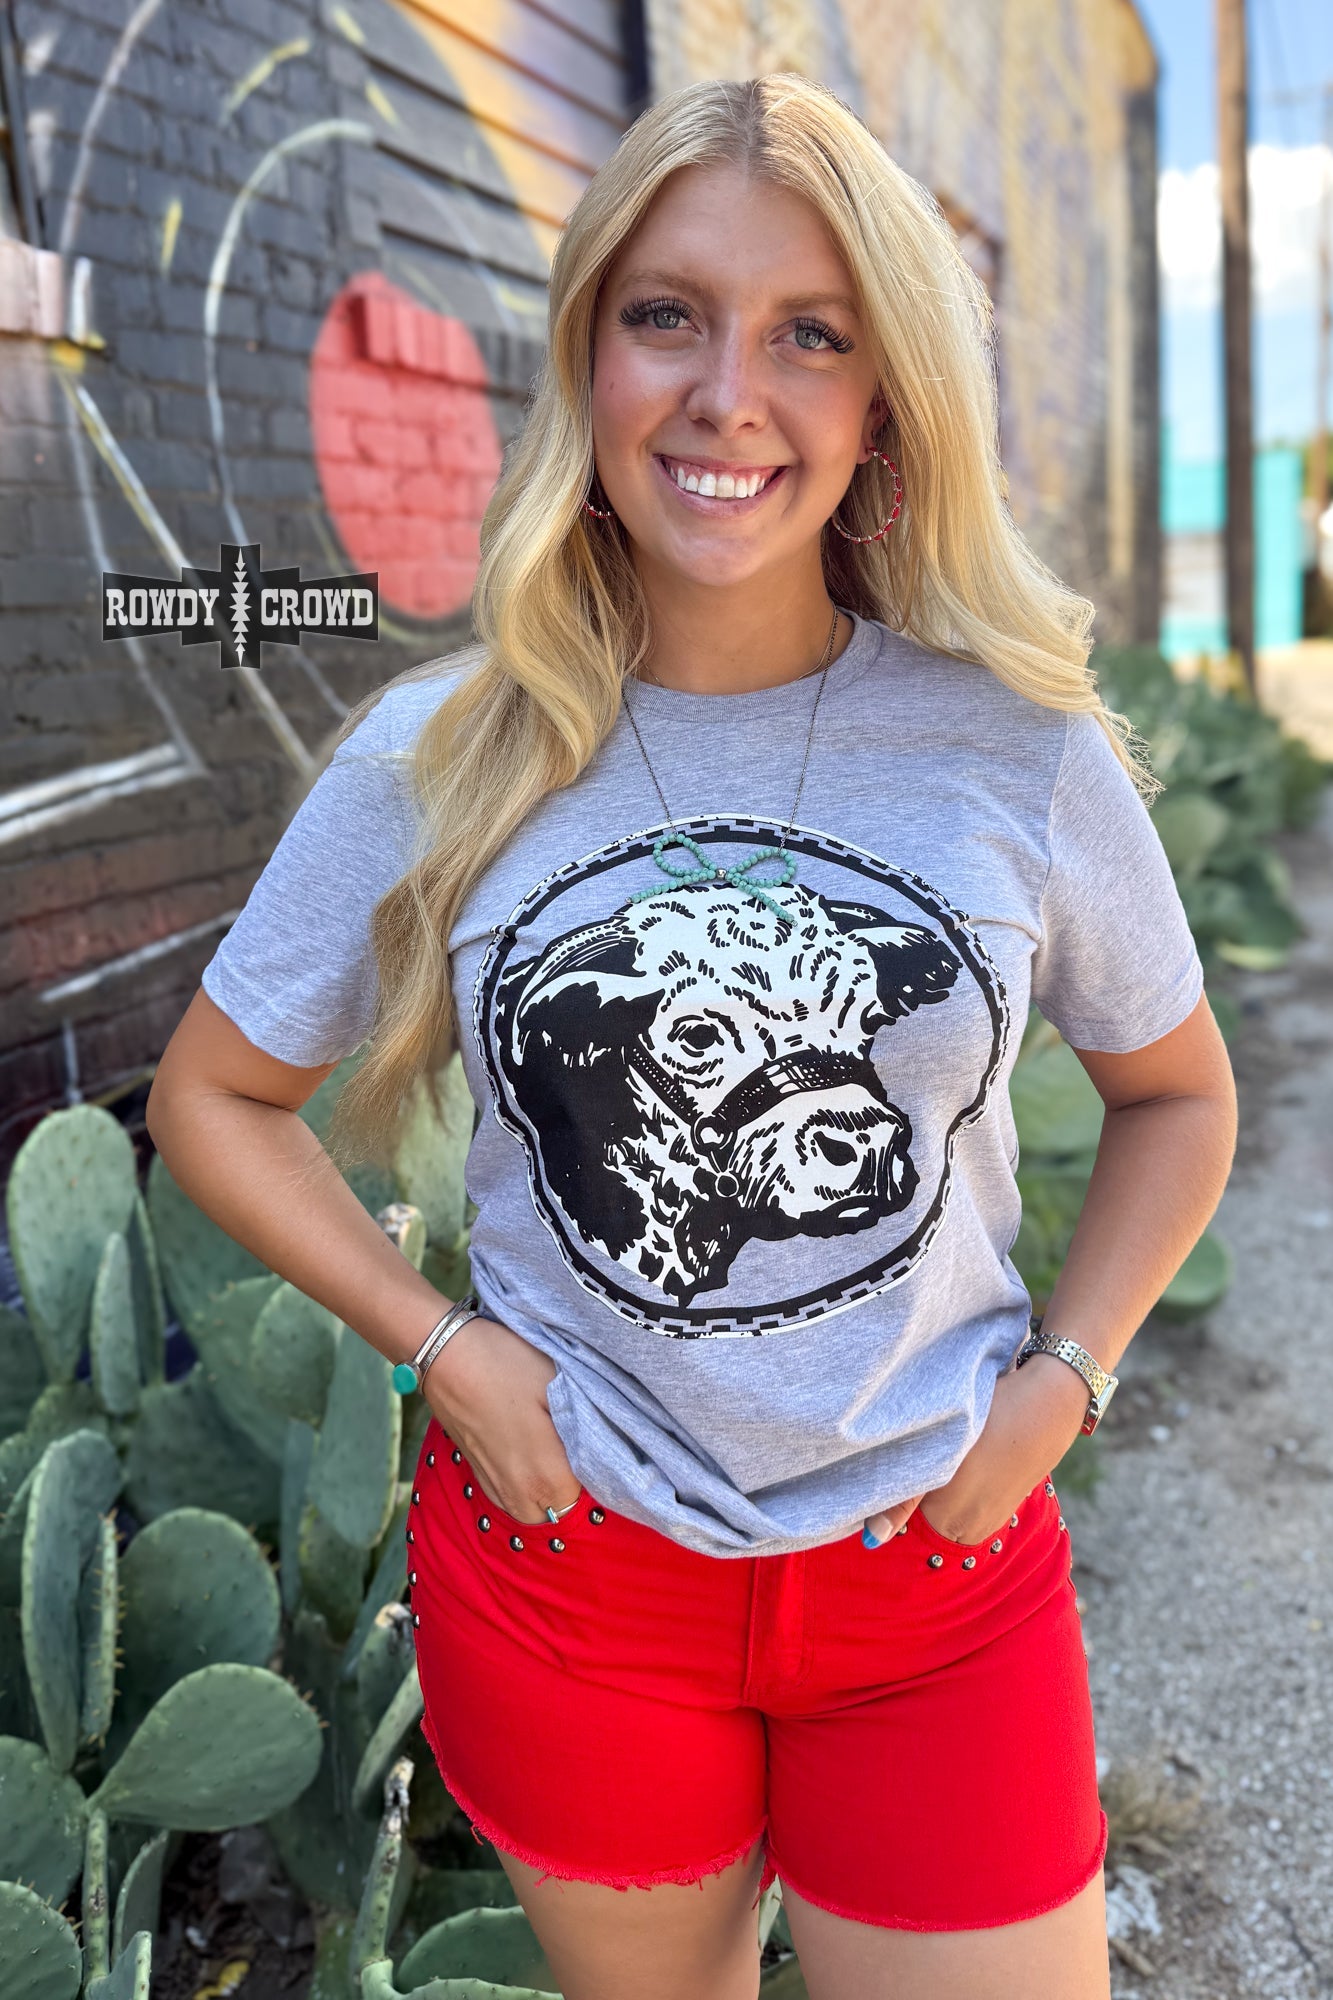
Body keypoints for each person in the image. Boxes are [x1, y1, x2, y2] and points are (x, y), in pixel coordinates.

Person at [146, 72, 1237, 2000]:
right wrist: (449, 1356)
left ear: (885, 395)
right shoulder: (440, 751)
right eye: (668, 315)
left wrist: (1060, 1386)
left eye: (810, 332)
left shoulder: (1014, 750)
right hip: (573, 1578)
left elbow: (1174, 1095)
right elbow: (215, 1098)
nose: (730, 393)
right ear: (589, 357)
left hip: (930, 1577)